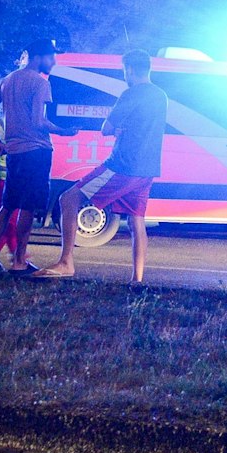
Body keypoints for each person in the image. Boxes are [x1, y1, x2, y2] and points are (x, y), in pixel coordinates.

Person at [38, 50, 169, 282]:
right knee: (136, 220)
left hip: (122, 164)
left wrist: (117, 129)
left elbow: (106, 128)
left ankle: (66, 262)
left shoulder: (131, 93)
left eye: (124, 71)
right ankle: (137, 280)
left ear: (129, 69)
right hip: (147, 169)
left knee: (67, 199)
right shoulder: (161, 95)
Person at [0, 40, 64, 274]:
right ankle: (19, 262)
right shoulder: (40, 83)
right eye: (51, 56)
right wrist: (65, 131)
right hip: (36, 151)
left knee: (6, 207)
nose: (54, 61)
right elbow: (38, 121)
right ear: (39, 57)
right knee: (28, 207)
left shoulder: (9, 80)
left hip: (14, 153)